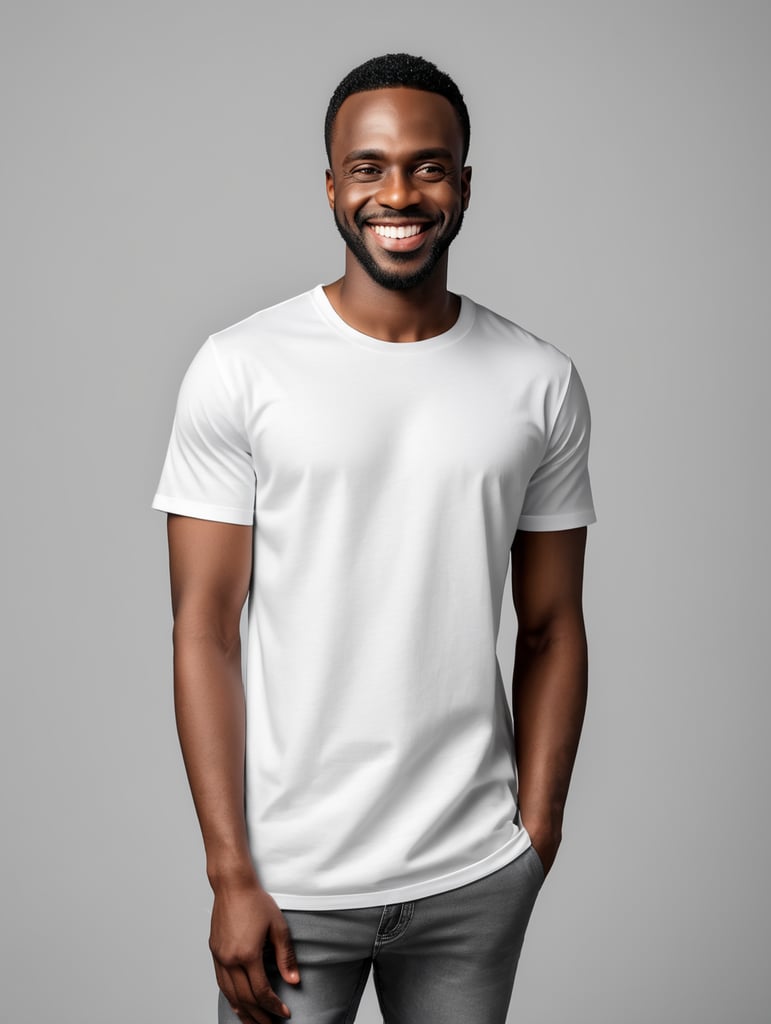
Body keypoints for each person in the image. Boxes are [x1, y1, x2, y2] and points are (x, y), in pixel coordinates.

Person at [153, 52, 596, 1024]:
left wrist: (537, 834)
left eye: (429, 167)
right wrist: (231, 871)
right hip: (288, 884)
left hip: (471, 874)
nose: (398, 192)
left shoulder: (540, 382)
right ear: (331, 185)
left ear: (465, 186)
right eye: (369, 167)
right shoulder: (240, 370)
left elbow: (553, 625)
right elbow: (203, 632)